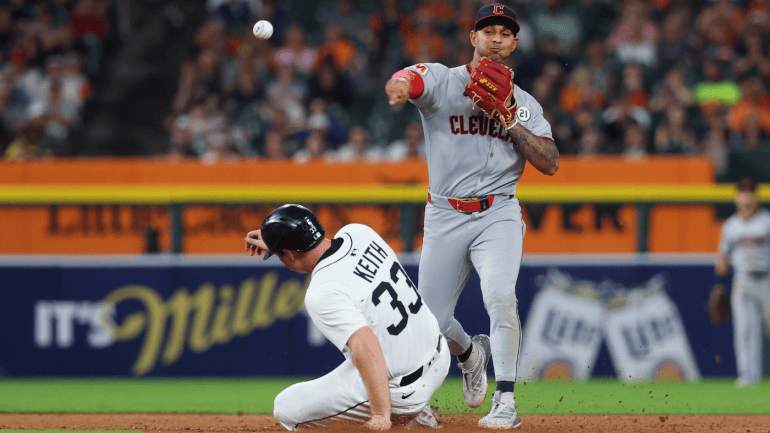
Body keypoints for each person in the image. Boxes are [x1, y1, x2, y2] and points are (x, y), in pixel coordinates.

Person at [384, 3, 559, 429]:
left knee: (501, 297)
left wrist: (507, 118)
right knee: (430, 321)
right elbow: (409, 76)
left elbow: (551, 161)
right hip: (444, 214)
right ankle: (469, 354)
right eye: (488, 30)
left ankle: (506, 402)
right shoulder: (446, 81)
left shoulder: (525, 104)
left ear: (515, 43)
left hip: (498, 211)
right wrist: (400, 87)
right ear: (473, 38)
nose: (496, 38)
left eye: (505, 32)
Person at [244, 204, 450, 430]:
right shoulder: (360, 232)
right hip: (440, 356)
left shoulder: (322, 292)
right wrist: (279, 240)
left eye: (279, 253)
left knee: (286, 406)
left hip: (405, 393)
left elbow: (366, 346)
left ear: (290, 253)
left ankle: (409, 417)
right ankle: (415, 411)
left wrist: (381, 415)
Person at [714, 177, 770, 387]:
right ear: (737, 198)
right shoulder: (731, 226)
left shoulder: (766, 221)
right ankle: (748, 377)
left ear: (757, 197)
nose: (746, 197)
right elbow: (723, 257)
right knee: (744, 330)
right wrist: (720, 282)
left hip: (766, 280)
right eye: (742, 193)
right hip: (743, 281)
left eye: (750, 192)